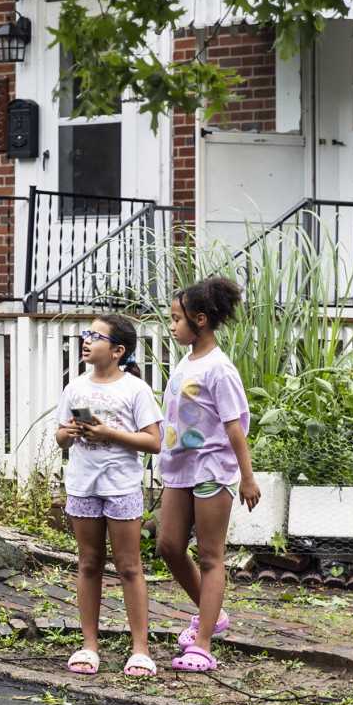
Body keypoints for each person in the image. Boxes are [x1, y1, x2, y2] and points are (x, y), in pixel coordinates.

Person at [156, 274, 261, 674]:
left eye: (176, 319)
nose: (172, 325)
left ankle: (202, 645)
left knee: (211, 555)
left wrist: (247, 478)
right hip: (179, 468)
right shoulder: (187, 361)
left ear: (200, 320)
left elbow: (234, 427)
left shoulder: (220, 369)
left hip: (213, 469)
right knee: (168, 545)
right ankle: (211, 614)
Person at [54, 312, 162, 677]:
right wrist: (69, 433)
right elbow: (59, 434)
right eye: (86, 334)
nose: (86, 340)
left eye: (95, 336)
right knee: (88, 563)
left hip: (121, 487)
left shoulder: (136, 390)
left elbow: (154, 442)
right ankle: (88, 645)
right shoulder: (75, 388)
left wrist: (109, 434)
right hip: (83, 485)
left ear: (117, 351)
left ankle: (141, 649)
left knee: (129, 566)